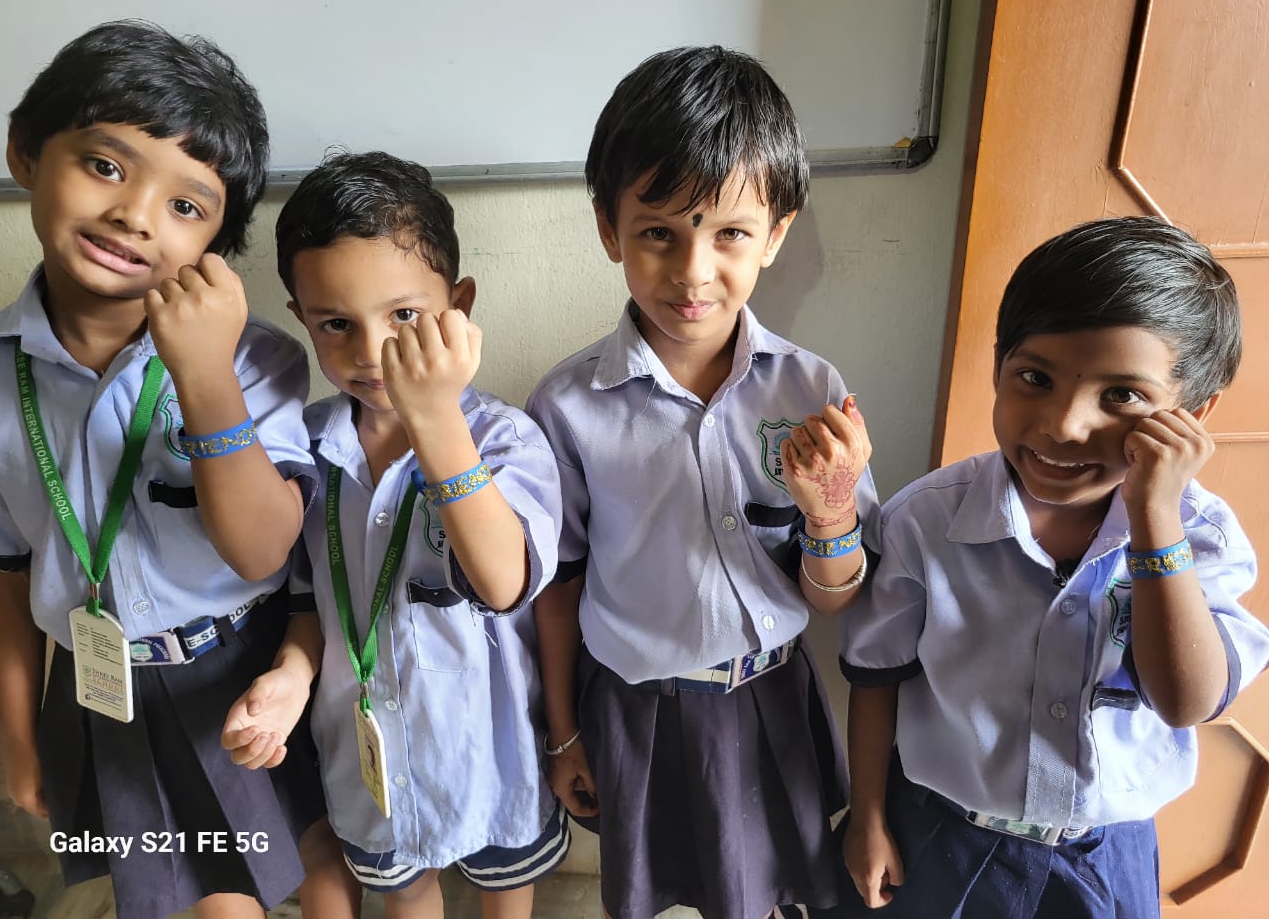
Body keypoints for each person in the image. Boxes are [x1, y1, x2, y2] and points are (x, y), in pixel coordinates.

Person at [0, 20, 336, 919]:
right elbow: (2, 573)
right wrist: (18, 738)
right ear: (26, 153)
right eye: (105, 166)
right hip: (98, 689)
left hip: (238, 674)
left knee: (298, 866)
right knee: (178, 896)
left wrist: (205, 375)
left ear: (218, 241)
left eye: (187, 205)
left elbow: (263, 550)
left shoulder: (256, 361)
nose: (135, 215)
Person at [525, 45, 880, 919]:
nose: (692, 271)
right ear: (610, 228)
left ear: (777, 234)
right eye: (658, 232)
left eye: (729, 233)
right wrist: (564, 732)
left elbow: (834, 600)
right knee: (645, 893)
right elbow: (558, 588)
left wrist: (831, 511)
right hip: (636, 712)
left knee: (767, 893)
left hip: (770, 704)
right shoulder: (568, 407)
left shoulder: (809, 391)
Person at [839, 217, 1269, 918]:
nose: (1065, 424)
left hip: (1104, 855)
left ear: (1192, 415)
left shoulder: (1202, 537)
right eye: (1034, 378)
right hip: (941, 838)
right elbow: (875, 677)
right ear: (998, 368)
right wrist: (867, 816)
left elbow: (1188, 701)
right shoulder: (927, 521)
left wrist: (1155, 521)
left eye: (1122, 396)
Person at [225, 150, 568, 919]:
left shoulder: (506, 438)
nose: (371, 351)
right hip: (367, 759)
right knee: (405, 898)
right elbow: (311, 601)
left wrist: (435, 418)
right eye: (336, 324)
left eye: (404, 317)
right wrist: (290, 676)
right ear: (302, 318)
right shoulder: (305, 447)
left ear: (460, 305)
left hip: (491, 760)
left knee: (504, 895)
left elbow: (503, 581)